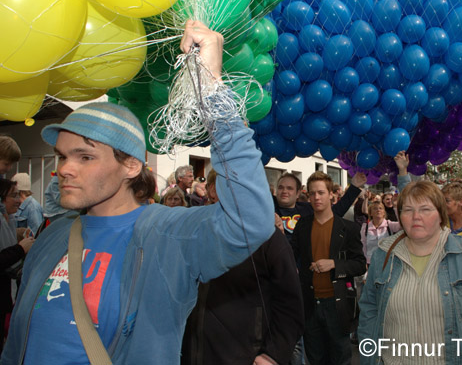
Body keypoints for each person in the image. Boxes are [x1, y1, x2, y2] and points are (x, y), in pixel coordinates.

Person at [1, 20, 275, 365]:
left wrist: (212, 90)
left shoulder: (169, 235)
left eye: (85, 156)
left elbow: (251, 220)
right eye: (63, 156)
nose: (65, 169)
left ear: (131, 166)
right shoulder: (51, 237)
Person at [358, 180, 462, 365]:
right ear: (400, 215)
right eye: (408, 209)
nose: (416, 216)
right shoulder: (383, 256)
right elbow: (369, 313)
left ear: (441, 215)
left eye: (425, 209)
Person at [181, 170, 304, 365]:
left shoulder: (268, 239)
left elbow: (291, 304)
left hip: (246, 356)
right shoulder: (192, 231)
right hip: (192, 354)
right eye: (227, 182)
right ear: (213, 190)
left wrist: (272, 355)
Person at [291, 171, 366, 365]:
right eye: (312, 193)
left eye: (321, 192)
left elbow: (359, 264)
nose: (316, 197)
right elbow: (291, 255)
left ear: (331, 194)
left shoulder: (348, 228)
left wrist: (334, 264)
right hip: (310, 305)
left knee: (340, 358)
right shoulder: (303, 225)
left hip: (337, 304)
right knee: (315, 359)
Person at [0, 178, 34, 354]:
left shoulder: (9, 218)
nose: (19, 200)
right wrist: (20, 249)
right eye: (13, 195)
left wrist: (18, 235)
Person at [360, 202, 401, 266]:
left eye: (380, 208)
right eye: (375, 208)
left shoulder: (389, 225)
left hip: (388, 262)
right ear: (370, 213)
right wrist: (365, 262)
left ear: (384, 212)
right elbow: (363, 245)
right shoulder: (365, 227)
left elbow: (403, 225)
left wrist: (395, 207)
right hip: (371, 263)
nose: (378, 210)